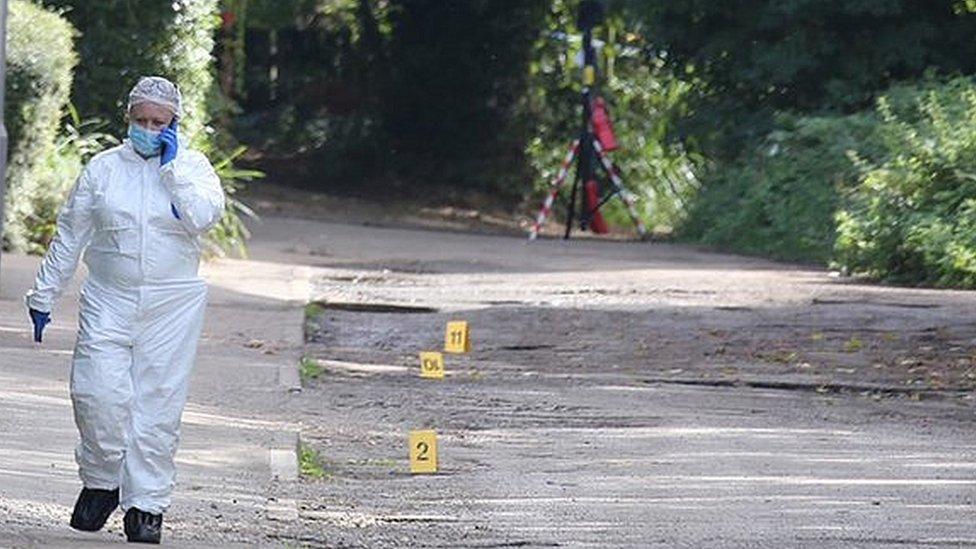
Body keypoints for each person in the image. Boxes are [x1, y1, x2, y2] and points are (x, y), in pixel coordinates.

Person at [25, 76, 225, 544]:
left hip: (172, 303)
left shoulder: (193, 168)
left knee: (157, 405)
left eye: (160, 122)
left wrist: (172, 170)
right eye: (141, 121)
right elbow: (71, 233)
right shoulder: (103, 169)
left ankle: (147, 505)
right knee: (95, 395)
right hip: (109, 296)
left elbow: (201, 218)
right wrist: (43, 294)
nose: (149, 129)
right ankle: (101, 480)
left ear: (175, 123)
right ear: (128, 120)